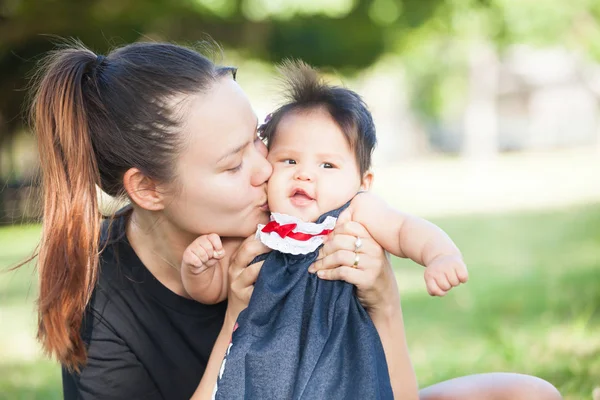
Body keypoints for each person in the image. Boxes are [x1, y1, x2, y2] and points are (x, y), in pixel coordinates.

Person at [26, 40, 562, 400]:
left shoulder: (307, 230)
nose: (269, 170)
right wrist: (236, 310)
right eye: (234, 164)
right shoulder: (102, 301)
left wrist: (384, 302)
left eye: (260, 139)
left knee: (526, 394)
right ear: (147, 188)